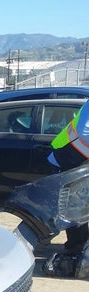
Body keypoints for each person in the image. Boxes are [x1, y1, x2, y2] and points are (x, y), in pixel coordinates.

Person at [45, 102, 89, 278]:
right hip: (67, 157)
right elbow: (84, 133)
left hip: (78, 158)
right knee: (76, 209)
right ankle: (75, 251)